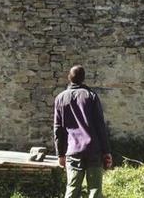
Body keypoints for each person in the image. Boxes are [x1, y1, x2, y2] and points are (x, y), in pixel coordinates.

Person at [53, 65, 113, 198]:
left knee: (72, 189)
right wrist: (106, 151)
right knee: (95, 190)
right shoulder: (91, 96)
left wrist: (60, 154)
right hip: (93, 149)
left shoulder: (60, 98)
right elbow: (100, 126)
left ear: (69, 78)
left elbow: (58, 129)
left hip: (73, 150)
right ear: (84, 78)